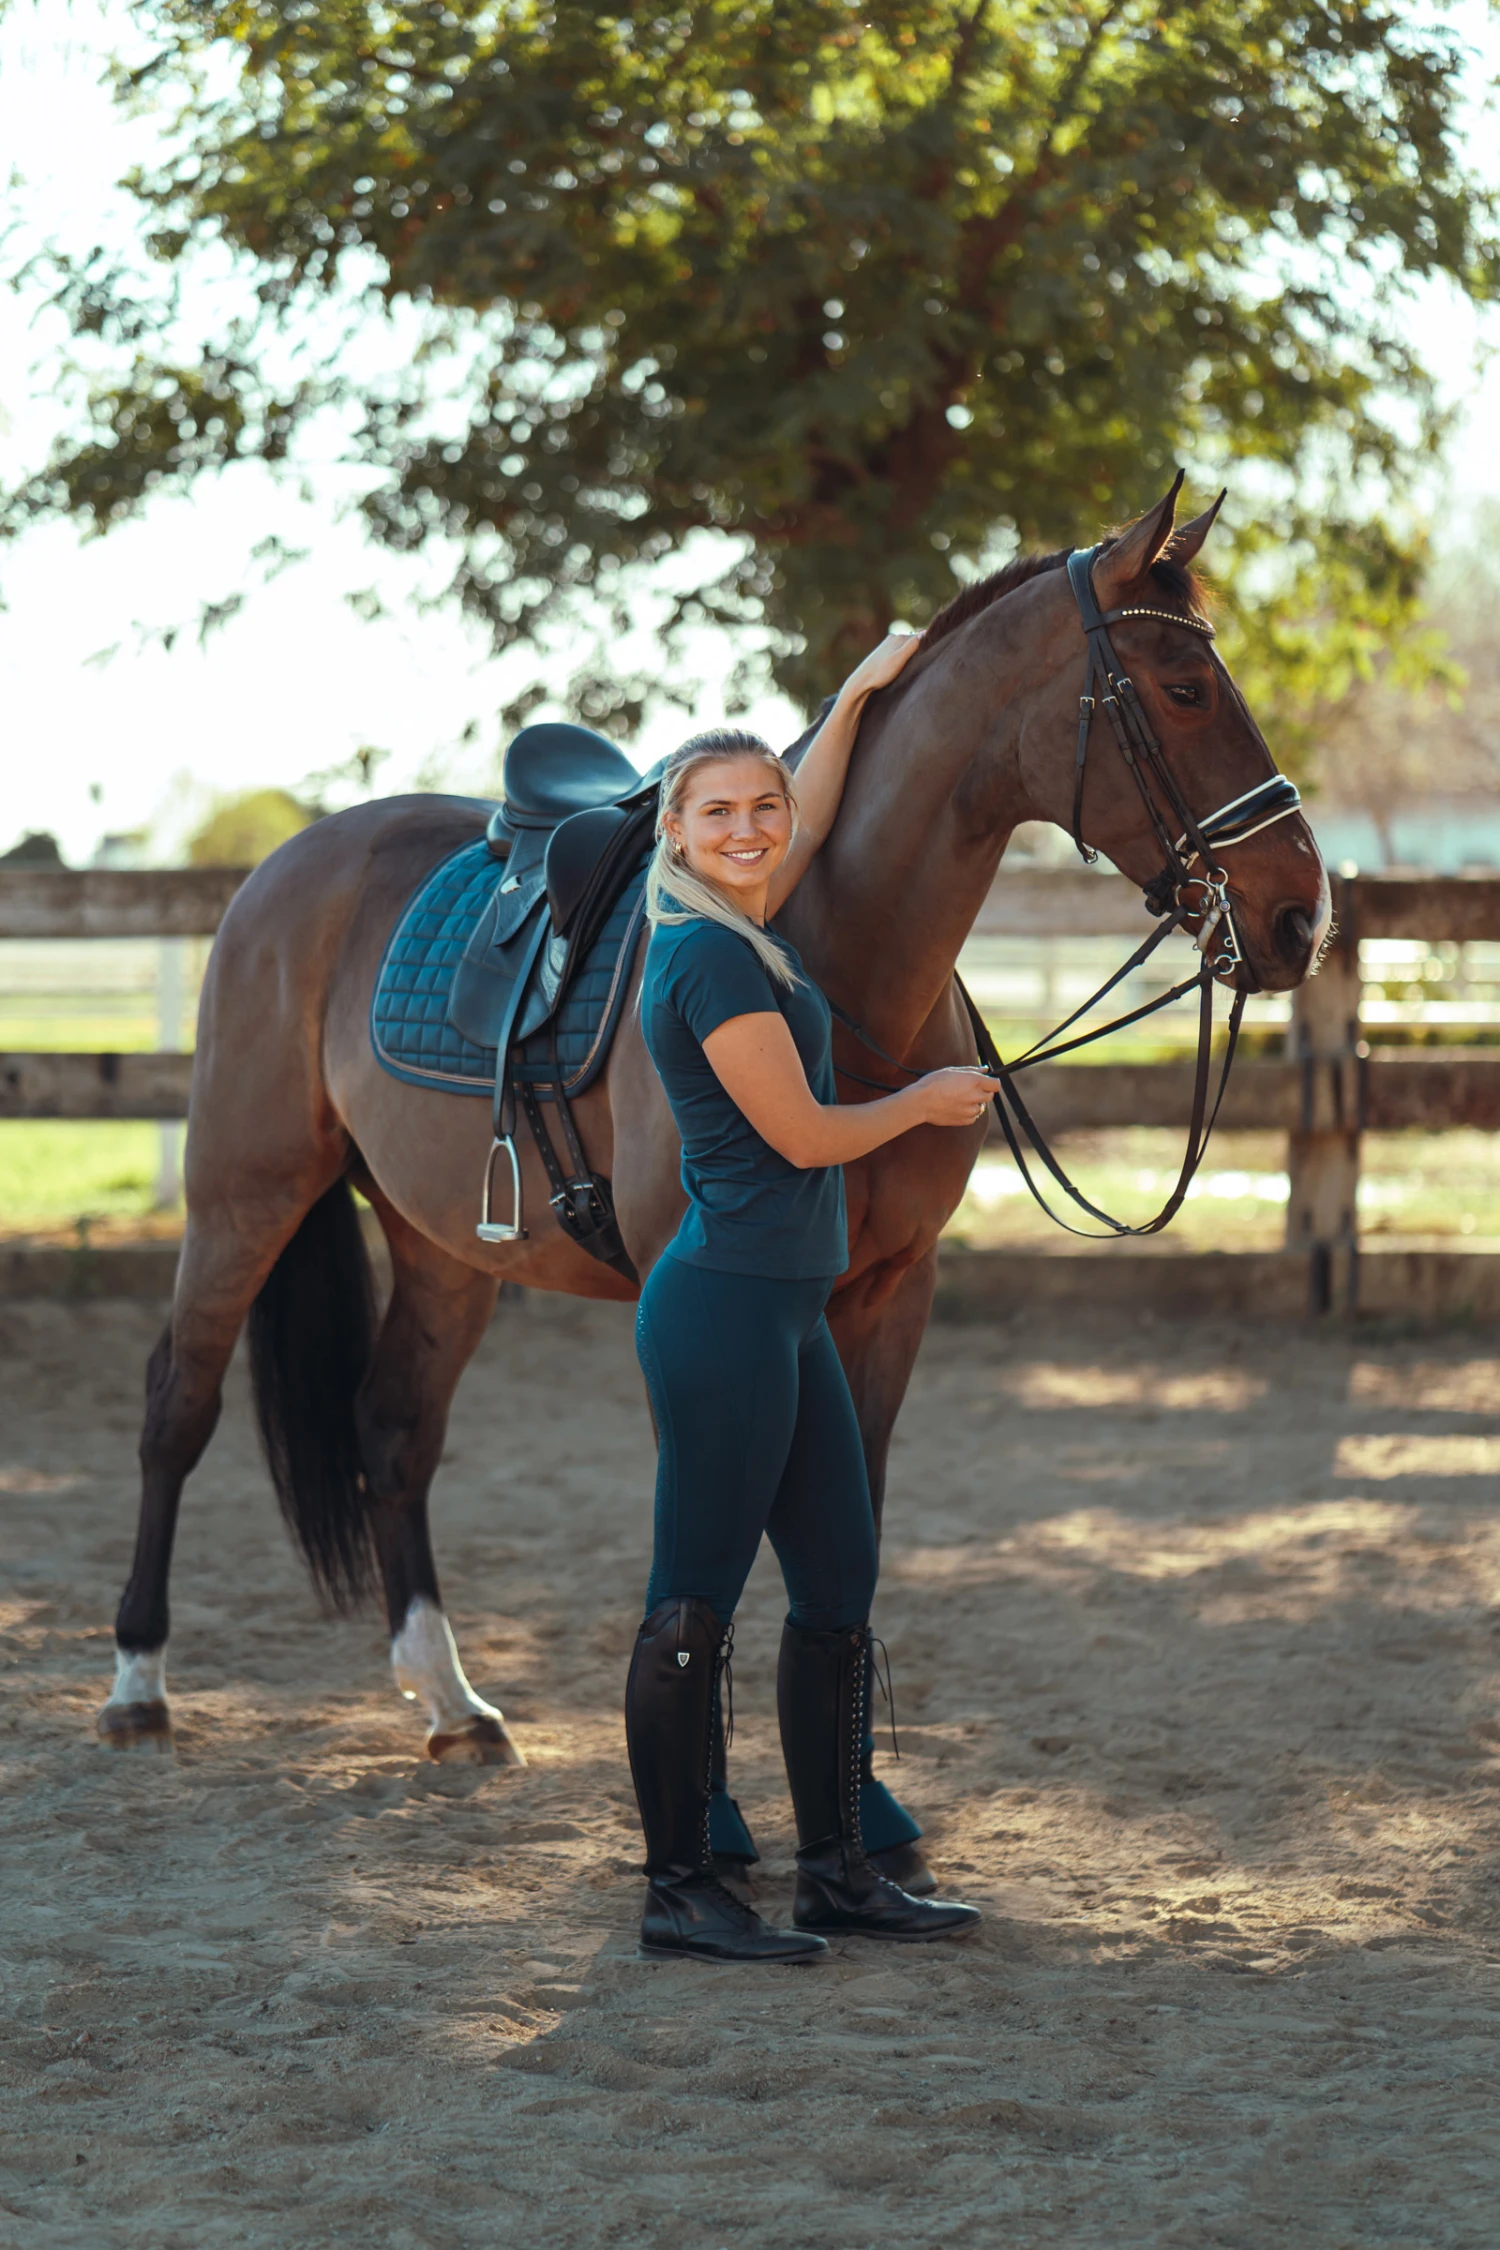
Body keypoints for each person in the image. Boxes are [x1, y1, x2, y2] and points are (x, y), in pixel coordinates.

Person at [626, 632, 995, 1964]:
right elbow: (797, 1132)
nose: (750, 828)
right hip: (721, 1311)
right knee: (694, 1601)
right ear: (674, 830)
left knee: (838, 1578)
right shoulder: (707, 957)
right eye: (718, 811)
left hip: (787, 1315)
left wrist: (854, 697)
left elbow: (817, 805)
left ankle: (837, 1867)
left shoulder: (749, 916)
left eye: (762, 810)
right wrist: (922, 1101)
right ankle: (680, 1888)